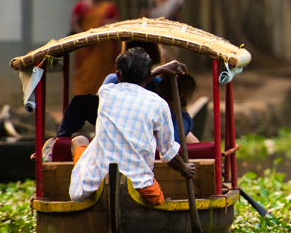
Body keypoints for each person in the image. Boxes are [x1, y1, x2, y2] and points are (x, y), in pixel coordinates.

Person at [69, 47, 196, 206]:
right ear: (149, 78)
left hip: (96, 181)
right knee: (158, 200)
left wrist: (159, 70)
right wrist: (185, 169)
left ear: (118, 75)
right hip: (140, 184)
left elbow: (112, 79)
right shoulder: (158, 104)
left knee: (79, 140)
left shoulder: (106, 91)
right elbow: (169, 154)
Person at [54, 42, 189, 142]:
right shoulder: (113, 84)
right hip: (120, 123)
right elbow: (105, 105)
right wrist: (156, 72)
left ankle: (59, 139)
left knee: (183, 118)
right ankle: (58, 141)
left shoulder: (156, 86)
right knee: (80, 103)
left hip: (146, 128)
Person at [70, 0, 120, 95]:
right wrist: (83, 36)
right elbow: (74, 21)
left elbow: (116, 22)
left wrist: (107, 23)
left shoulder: (109, 7)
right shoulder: (81, 5)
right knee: (84, 76)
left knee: (103, 76)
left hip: (103, 48)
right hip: (85, 47)